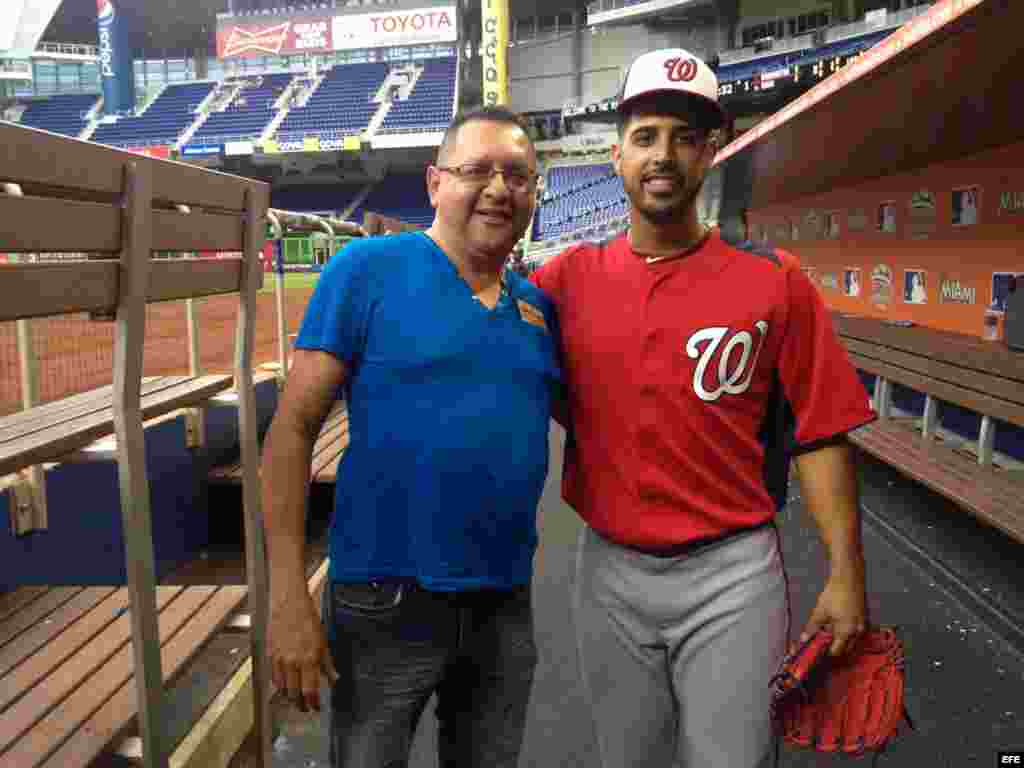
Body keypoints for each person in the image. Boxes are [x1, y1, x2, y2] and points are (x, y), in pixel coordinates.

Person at [529, 49, 877, 768]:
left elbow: (821, 432)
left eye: (686, 137)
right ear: (618, 154)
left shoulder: (774, 282)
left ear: (712, 151)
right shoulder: (564, 281)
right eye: (646, 136)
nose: (664, 155)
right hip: (609, 569)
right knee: (627, 760)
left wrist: (846, 573)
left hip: (733, 573)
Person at [261, 105, 560, 768]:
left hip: (503, 601)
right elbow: (290, 432)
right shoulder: (366, 270)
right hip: (384, 600)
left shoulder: (537, 307)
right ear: (434, 183)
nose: (499, 188)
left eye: (517, 175)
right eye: (476, 170)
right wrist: (287, 597)